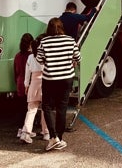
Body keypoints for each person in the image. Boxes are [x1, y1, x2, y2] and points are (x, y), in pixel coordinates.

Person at [36, 18, 81, 151]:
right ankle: (59, 138)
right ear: (61, 27)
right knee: (62, 107)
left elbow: (39, 59)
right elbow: (78, 57)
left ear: (49, 29)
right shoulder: (70, 40)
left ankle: (53, 137)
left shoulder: (44, 41)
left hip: (50, 79)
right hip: (66, 78)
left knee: (47, 106)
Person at [20, 34, 50, 144]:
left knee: (31, 110)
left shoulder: (30, 57)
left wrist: (26, 85)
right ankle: (46, 133)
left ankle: (25, 133)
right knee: (46, 109)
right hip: (45, 83)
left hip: (33, 84)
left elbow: (27, 74)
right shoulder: (46, 56)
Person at [14, 32, 34, 138]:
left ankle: (20, 129)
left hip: (19, 83)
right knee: (28, 109)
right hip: (28, 84)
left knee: (21, 108)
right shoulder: (31, 56)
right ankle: (26, 131)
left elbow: (16, 71)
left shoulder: (17, 56)